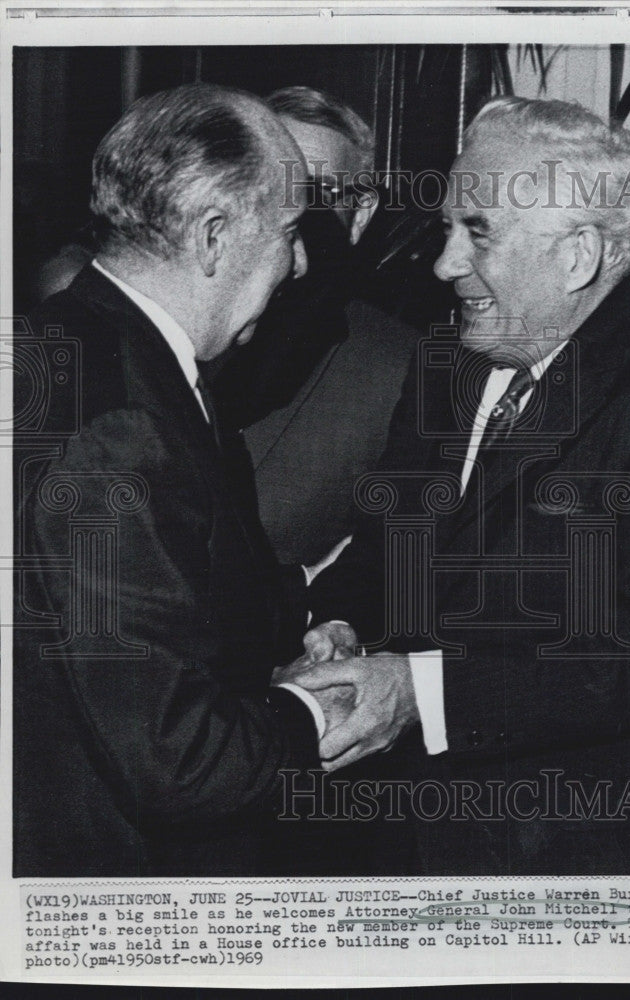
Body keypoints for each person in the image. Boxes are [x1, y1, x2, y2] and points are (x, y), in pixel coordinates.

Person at [277, 97, 630, 875]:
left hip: (566, 853)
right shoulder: (449, 362)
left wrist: (422, 696)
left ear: (577, 258)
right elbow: (387, 542)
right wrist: (339, 621)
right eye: (446, 230)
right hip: (403, 829)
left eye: (478, 234)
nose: (443, 266)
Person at [13, 83, 355, 877]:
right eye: (289, 233)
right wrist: (318, 708)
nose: (298, 265)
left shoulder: (69, 347)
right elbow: (179, 761)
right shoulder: (121, 430)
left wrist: (300, 603)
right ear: (212, 236)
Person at [212, 86, 421, 564]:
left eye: (320, 192)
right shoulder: (180, 326)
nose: (295, 212)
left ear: (360, 215)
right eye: (270, 186)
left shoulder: (405, 373)